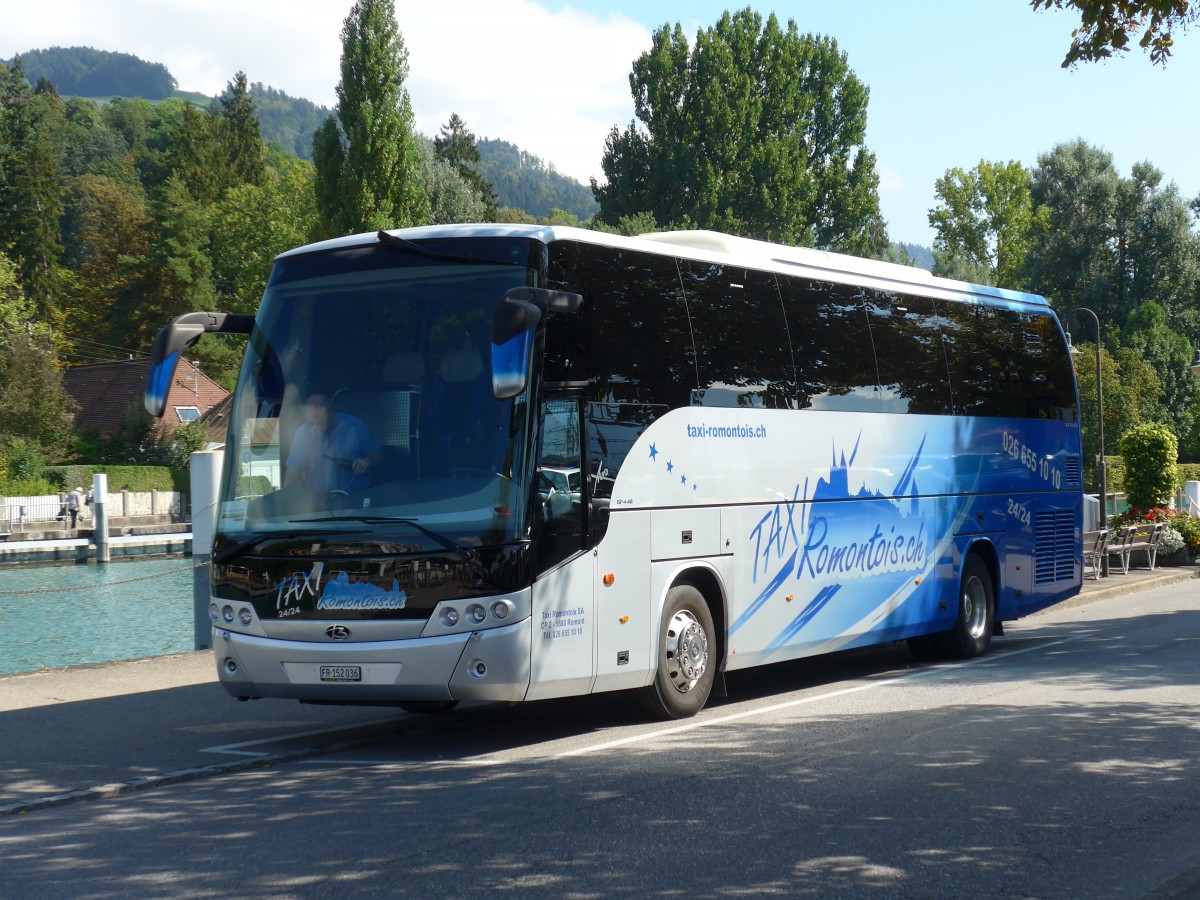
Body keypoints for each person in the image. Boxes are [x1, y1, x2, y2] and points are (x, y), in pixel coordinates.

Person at [284, 392, 382, 494]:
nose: (315, 427)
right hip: (318, 503)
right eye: (312, 422)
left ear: (331, 411)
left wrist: (367, 460)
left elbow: (377, 454)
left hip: (355, 498)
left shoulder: (355, 426)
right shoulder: (303, 434)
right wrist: (288, 503)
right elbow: (292, 473)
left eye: (319, 421)